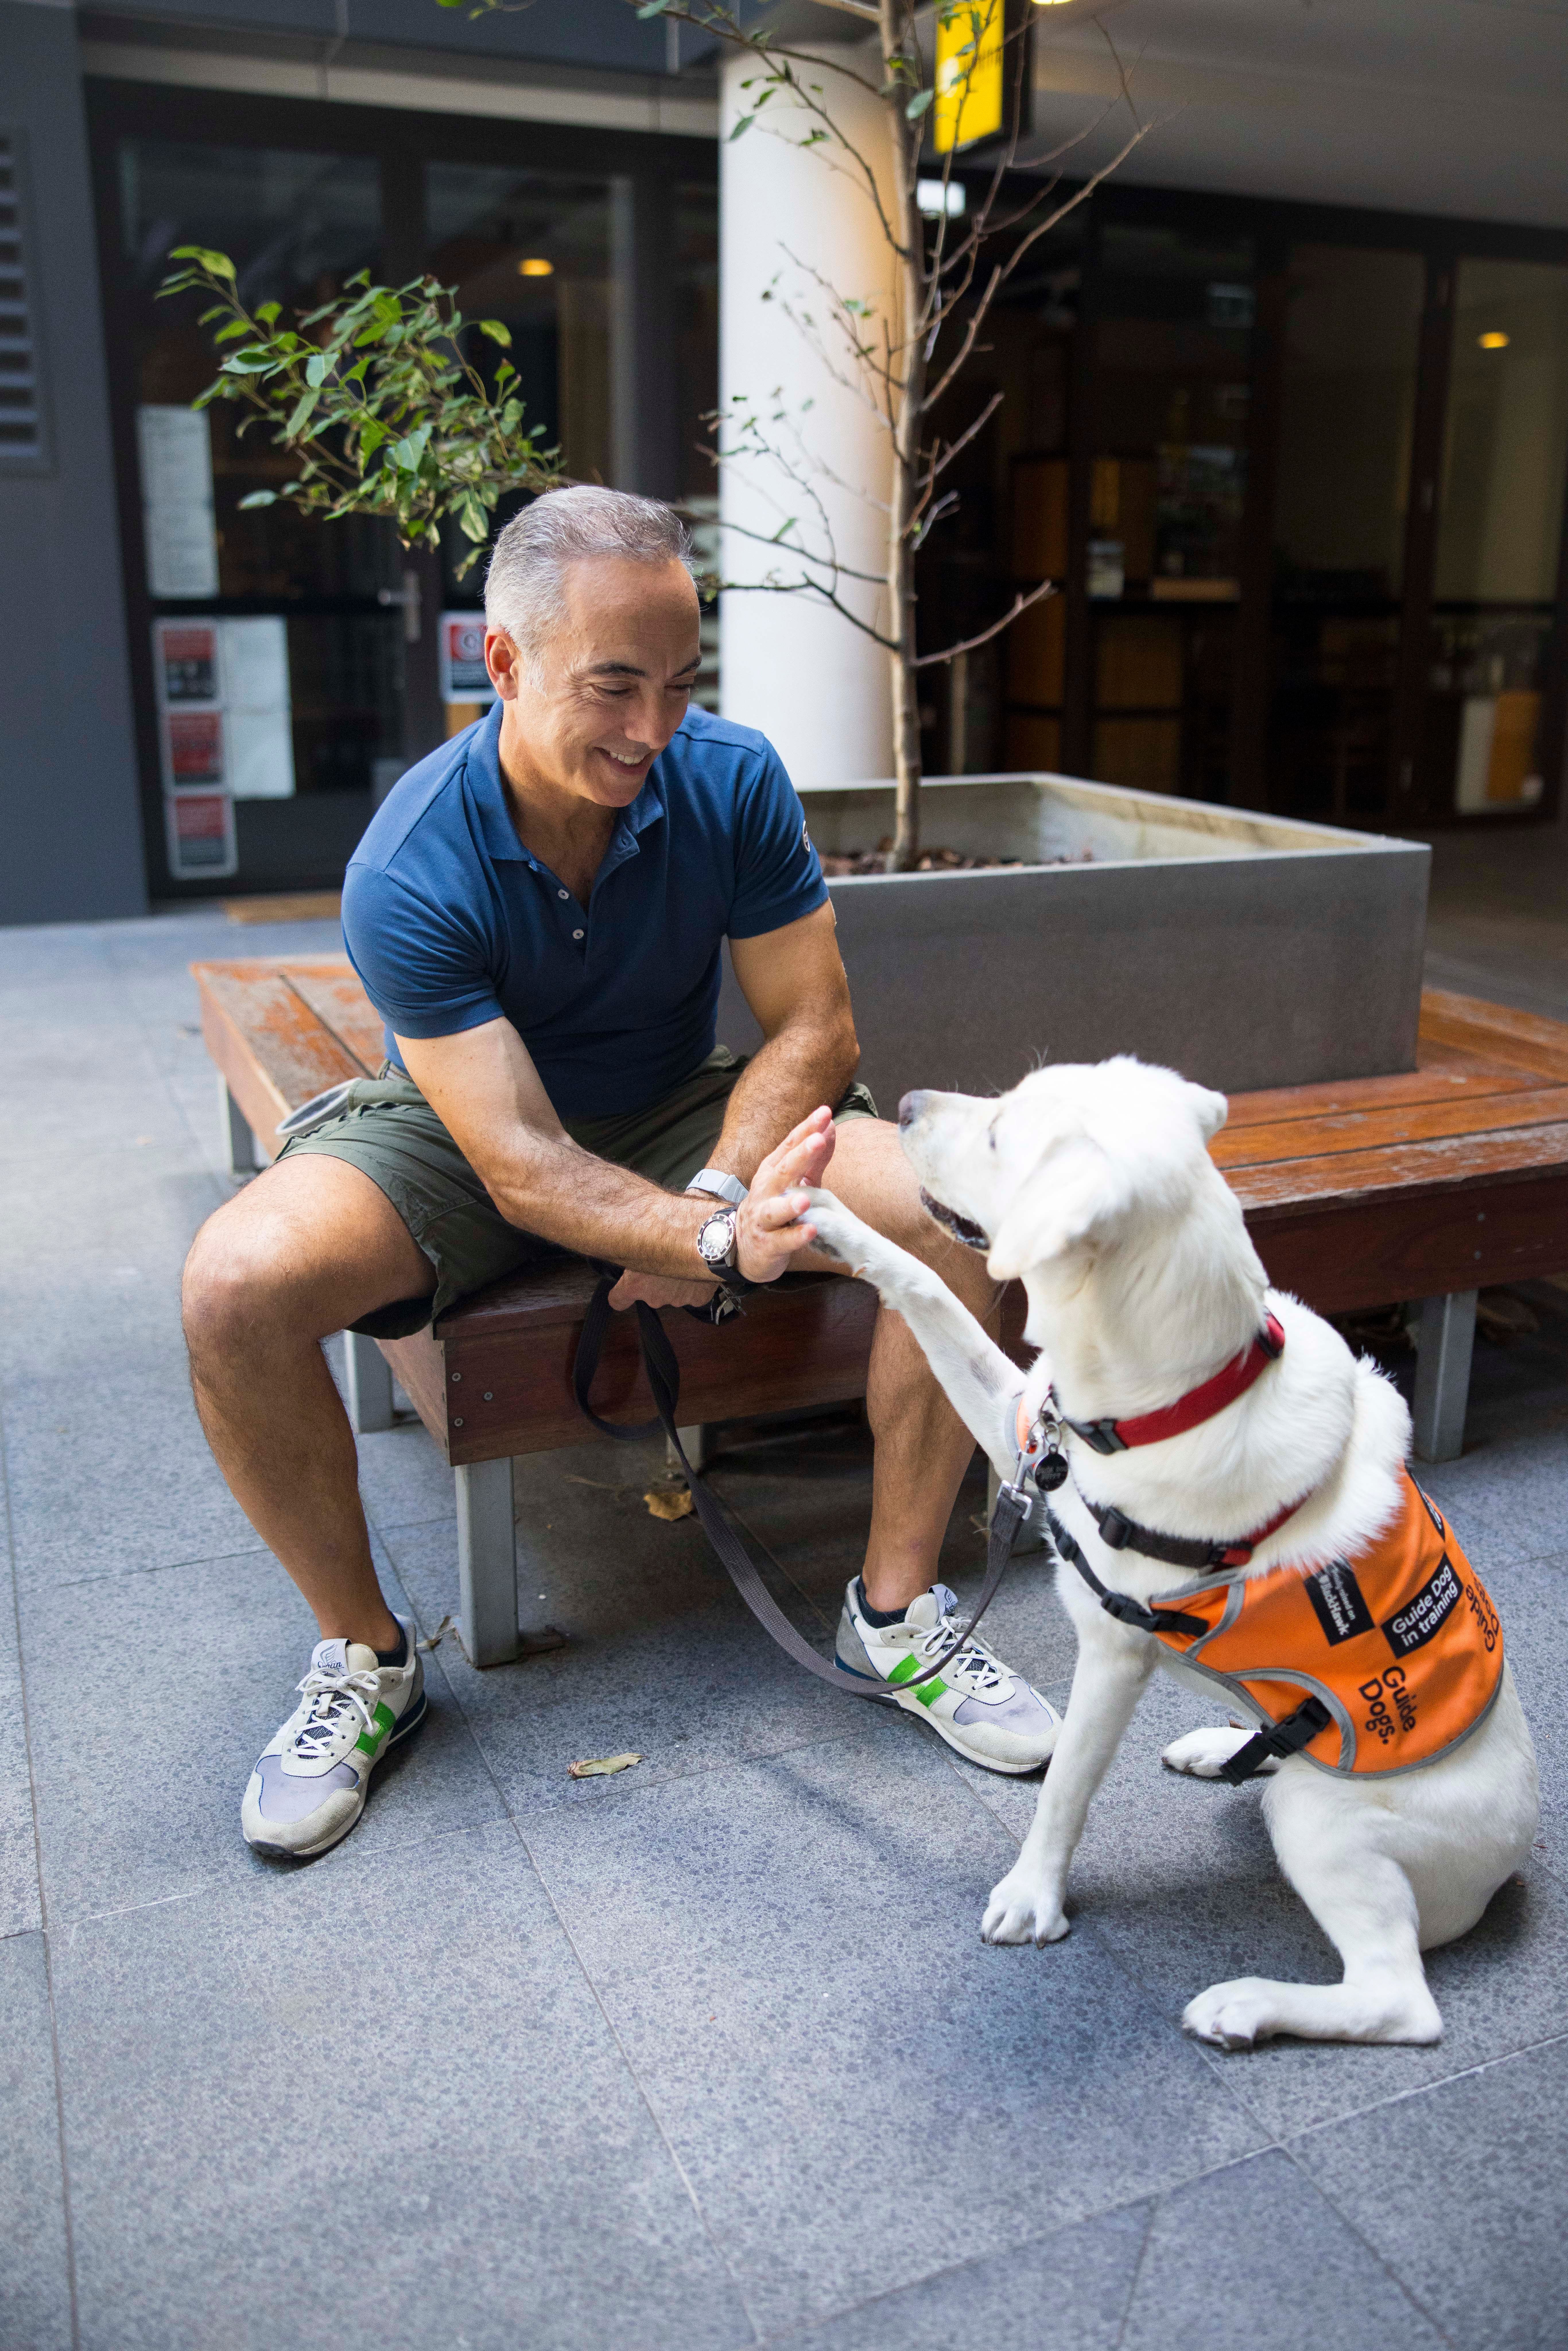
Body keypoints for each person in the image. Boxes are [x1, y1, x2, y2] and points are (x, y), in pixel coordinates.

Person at [181, 486, 1059, 1861]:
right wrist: (703, 1251)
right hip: (465, 1131)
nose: (652, 729)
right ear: (507, 662)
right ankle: (367, 1661)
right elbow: (519, 1157)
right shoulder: (408, 865)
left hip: (678, 1106)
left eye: (677, 683)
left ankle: (896, 1611)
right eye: (613, 686)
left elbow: (817, 1027)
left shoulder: (732, 777)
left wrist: (704, 1198)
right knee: (234, 1282)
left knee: (962, 1213)